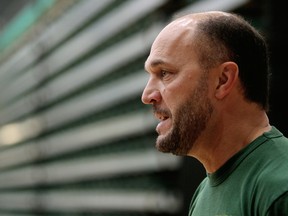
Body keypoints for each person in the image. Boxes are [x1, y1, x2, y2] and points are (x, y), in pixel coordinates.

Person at [141, 11, 288, 215]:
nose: (147, 95)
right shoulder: (204, 193)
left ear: (222, 80)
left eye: (165, 73)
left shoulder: (280, 189)